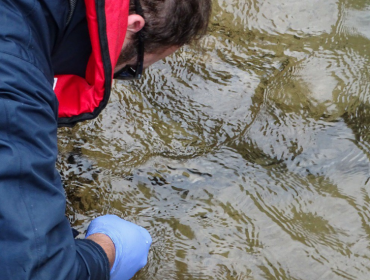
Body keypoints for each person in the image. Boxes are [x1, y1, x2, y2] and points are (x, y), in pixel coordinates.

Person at [0, 0, 211, 279]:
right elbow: (41, 271)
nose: (112, 78)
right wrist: (108, 251)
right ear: (133, 25)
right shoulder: (17, 90)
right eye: (129, 69)